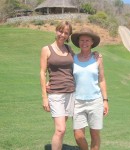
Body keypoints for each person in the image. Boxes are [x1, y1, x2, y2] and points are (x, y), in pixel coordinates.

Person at [71, 27, 109, 150]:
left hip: (95, 101)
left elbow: (102, 80)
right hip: (77, 102)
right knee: (78, 135)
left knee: (95, 134)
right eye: (82, 40)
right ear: (78, 42)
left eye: (87, 40)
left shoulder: (98, 58)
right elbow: (66, 76)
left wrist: (105, 100)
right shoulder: (73, 59)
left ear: (92, 42)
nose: (85, 43)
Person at [40, 21, 75, 150]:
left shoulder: (69, 49)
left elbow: (78, 65)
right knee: (60, 129)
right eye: (61, 31)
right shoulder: (46, 49)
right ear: (56, 31)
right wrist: (44, 96)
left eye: (66, 33)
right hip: (55, 94)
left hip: (70, 92)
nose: (63, 34)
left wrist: (94, 56)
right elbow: (42, 72)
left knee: (61, 129)